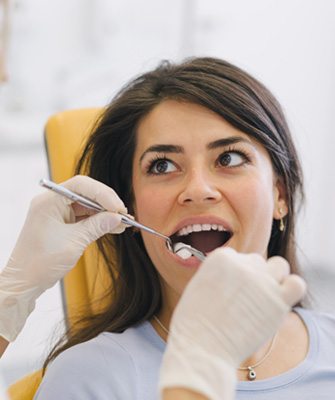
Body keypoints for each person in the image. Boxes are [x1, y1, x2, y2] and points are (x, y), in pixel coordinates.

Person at [0, 57, 333, 399]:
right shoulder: (89, 378)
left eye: (229, 158)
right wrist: (10, 293)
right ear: (132, 209)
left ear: (280, 195)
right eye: (162, 165)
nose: (198, 189)